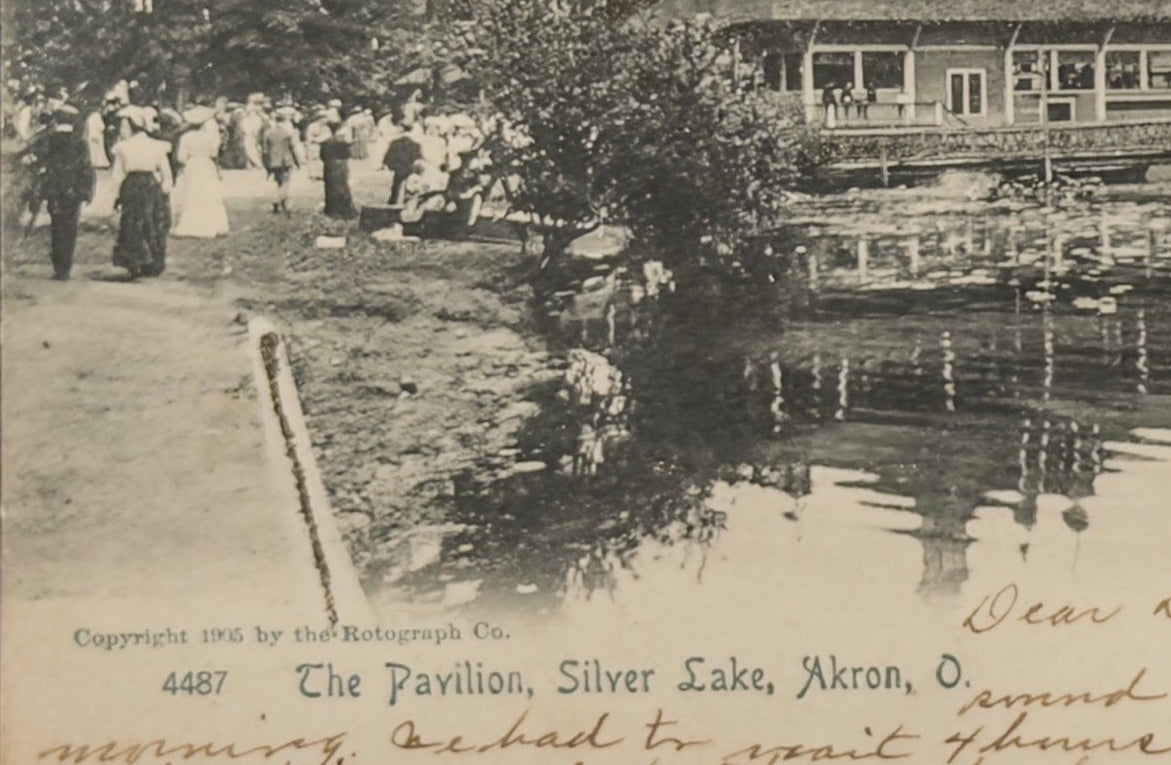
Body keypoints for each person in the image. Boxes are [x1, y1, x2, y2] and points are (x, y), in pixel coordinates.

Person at [110, 106, 173, 279]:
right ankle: (154, 262)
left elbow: (117, 175)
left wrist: (116, 196)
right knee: (152, 222)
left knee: (132, 222)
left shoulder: (123, 147)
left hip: (132, 185)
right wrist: (164, 190)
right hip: (151, 185)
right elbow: (166, 173)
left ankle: (134, 261)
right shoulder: (157, 146)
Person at [40, 105, 94, 280]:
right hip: (73, 191)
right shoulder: (80, 143)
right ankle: (66, 266)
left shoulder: (50, 140)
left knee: (56, 227)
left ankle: (58, 267)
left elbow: (44, 166)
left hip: (55, 189)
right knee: (70, 228)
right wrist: (86, 191)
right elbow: (86, 168)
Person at [172, 106, 229, 238]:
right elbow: (214, 154)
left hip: (192, 165)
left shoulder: (186, 137)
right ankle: (213, 225)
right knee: (209, 193)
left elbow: (181, 158)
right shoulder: (211, 137)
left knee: (192, 193)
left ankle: (192, 226)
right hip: (207, 165)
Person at [262, 107, 302, 214]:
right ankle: (278, 201)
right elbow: (292, 148)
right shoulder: (287, 133)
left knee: (278, 182)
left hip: (273, 161)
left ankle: (281, 202)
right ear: (284, 121)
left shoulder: (268, 133)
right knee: (285, 183)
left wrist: (266, 165)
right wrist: (298, 162)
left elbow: (265, 150)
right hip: (285, 161)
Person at [320, 123, 357, 219]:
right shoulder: (343, 143)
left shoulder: (326, 142)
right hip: (341, 165)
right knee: (343, 187)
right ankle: (345, 210)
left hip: (329, 165)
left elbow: (322, 156)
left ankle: (332, 210)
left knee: (330, 187)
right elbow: (348, 154)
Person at [382, 121, 422, 205]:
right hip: (410, 170)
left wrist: (393, 166)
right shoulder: (415, 144)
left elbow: (388, 160)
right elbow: (418, 159)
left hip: (399, 171)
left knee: (396, 187)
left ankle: (395, 201)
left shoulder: (394, 143)